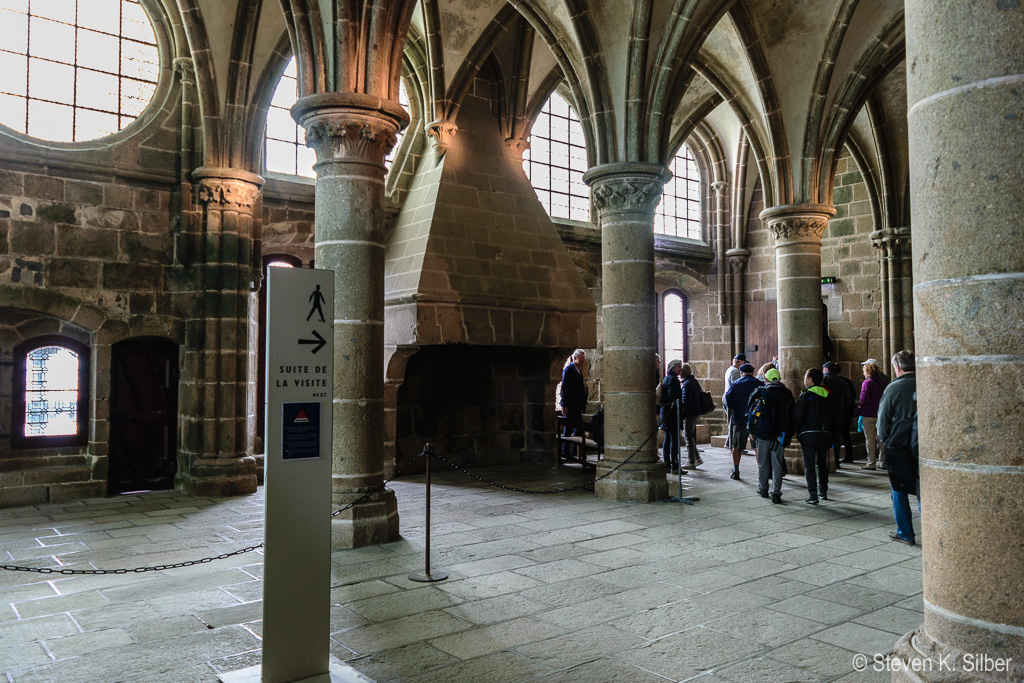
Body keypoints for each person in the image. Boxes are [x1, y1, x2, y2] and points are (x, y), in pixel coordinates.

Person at [877, 350, 919, 545]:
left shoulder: (893, 388)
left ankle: (905, 532)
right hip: (924, 446)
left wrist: (888, 442)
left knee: (899, 490)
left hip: (901, 448)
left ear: (897, 367)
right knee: (924, 491)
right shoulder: (926, 381)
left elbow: (882, 423)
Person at [748, 367, 794, 503]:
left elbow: (749, 412)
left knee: (763, 462)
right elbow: (792, 416)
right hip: (781, 434)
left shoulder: (760, 391)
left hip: (762, 434)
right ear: (779, 379)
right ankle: (776, 492)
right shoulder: (787, 394)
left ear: (766, 379)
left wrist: (751, 431)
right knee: (778, 463)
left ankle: (763, 489)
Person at [793, 367, 836, 504]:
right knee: (822, 463)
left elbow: (799, 416)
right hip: (825, 434)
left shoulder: (805, 395)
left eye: (805, 377)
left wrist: (796, 430)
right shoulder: (828, 395)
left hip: (808, 434)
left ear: (810, 380)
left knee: (809, 465)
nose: (804, 380)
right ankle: (823, 491)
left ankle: (813, 494)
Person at [724, 363, 762, 480]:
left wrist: (736, 408)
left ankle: (736, 470)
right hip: (756, 420)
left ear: (741, 373)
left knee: (737, 446)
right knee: (757, 446)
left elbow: (728, 400)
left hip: (740, 419)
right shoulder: (759, 384)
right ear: (753, 373)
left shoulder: (736, 384)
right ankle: (761, 471)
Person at [857, 358, 890, 469]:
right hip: (881, 413)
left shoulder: (868, 382)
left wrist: (860, 405)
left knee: (870, 439)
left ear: (867, 371)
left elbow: (863, 398)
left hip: (869, 414)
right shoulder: (884, 382)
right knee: (881, 439)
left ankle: (871, 463)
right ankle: (883, 462)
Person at [822, 361, 855, 467]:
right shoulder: (843, 382)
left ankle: (825, 461)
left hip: (825, 414)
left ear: (826, 370)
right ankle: (835, 460)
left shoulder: (823, 381)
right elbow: (849, 399)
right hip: (839, 414)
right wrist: (843, 410)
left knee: (825, 437)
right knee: (837, 439)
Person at [559, 350, 588, 456]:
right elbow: (565, 389)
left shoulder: (578, 370)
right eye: (581, 359)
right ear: (575, 358)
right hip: (570, 405)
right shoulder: (569, 370)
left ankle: (574, 452)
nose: (582, 361)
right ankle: (565, 451)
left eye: (583, 359)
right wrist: (564, 405)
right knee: (568, 429)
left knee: (578, 428)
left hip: (577, 405)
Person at [678, 363, 703, 468]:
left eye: (680, 371)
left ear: (684, 372)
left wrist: (682, 412)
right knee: (690, 436)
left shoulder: (687, 384)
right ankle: (696, 458)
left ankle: (691, 461)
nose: (679, 373)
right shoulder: (693, 381)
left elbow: (685, 401)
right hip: (696, 411)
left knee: (688, 436)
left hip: (690, 413)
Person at [660, 359, 684, 470]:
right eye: (679, 367)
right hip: (671, 413)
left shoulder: (667, 378)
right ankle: (674, 464)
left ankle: (667, 462)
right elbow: (673, 398)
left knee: (668, 438)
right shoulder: (673, 380)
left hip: (665, 412)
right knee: (674, 439)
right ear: (673, 367)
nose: (680, 369)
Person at [722, 353, 746, 448]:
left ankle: (728, 443)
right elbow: (736, 386)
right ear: (740, 361)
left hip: (727, 397)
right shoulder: (735, 371)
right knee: (732, 423)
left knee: (731, 421)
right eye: (743, 362)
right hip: (731, 399)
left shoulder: (730, 369)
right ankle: (732, 446)